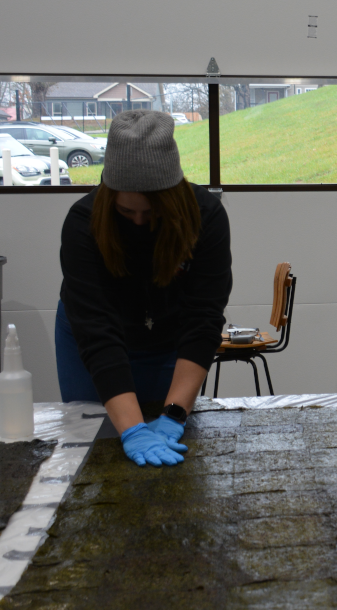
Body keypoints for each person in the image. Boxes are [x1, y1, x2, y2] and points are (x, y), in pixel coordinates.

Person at [55, 110, 232, 467]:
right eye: (125, 212)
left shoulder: (205, 217)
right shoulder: (82, 224)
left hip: (168, 341)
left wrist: (174, 414)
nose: (138, 222)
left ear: (173, 198)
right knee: (100, 449)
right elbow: (97, 332)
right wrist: (132, 429)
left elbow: (203, 320)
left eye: (151, 213)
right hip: (92, 338)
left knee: (168, 450)